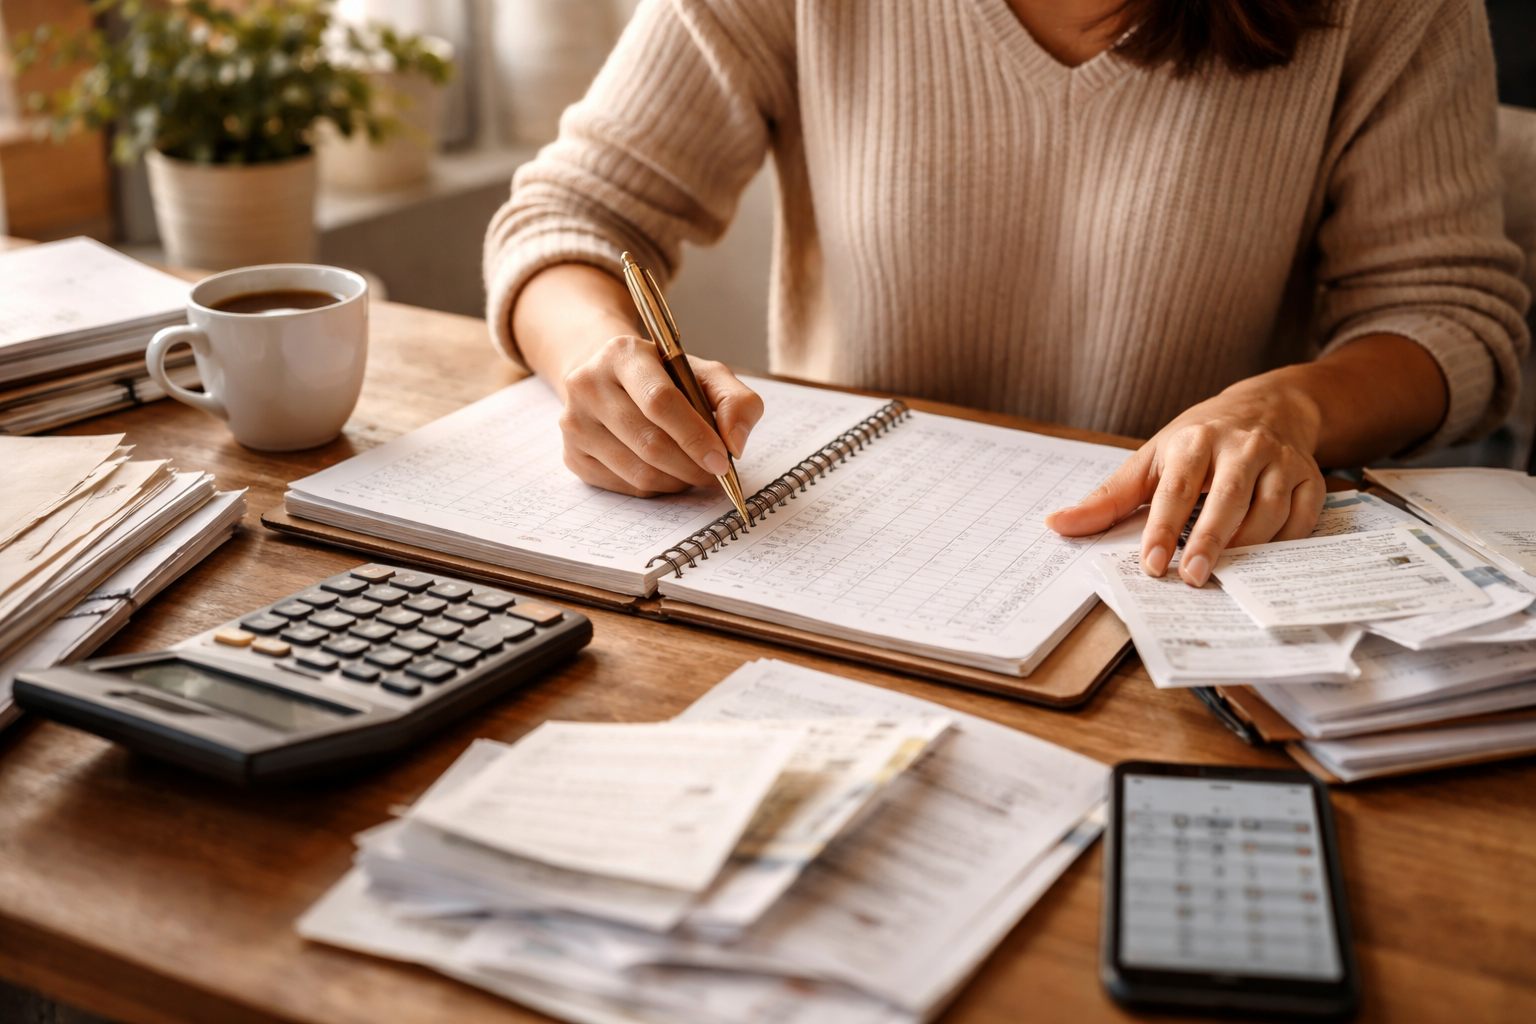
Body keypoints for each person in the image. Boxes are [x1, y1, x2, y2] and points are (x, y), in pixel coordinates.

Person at [485, 0, 1529, 587]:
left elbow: (1447, 318)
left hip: (1183, 579)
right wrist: (599, 358)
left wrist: (1285, 406)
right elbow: (574, 215)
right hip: (844, 565)